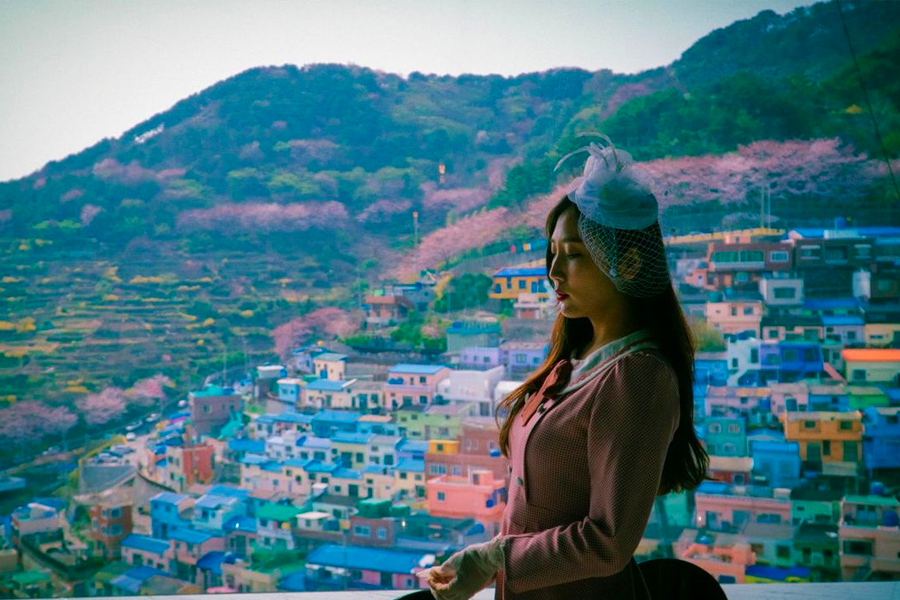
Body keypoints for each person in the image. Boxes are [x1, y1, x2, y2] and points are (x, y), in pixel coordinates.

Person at [417, 134, 710, 600]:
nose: (554, 272)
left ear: (628, 262)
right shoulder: (573, 364)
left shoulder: (636, 378)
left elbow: (608, 541)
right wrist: (488, 560)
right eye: (552, 253)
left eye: (573, 255)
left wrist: (495, 558)